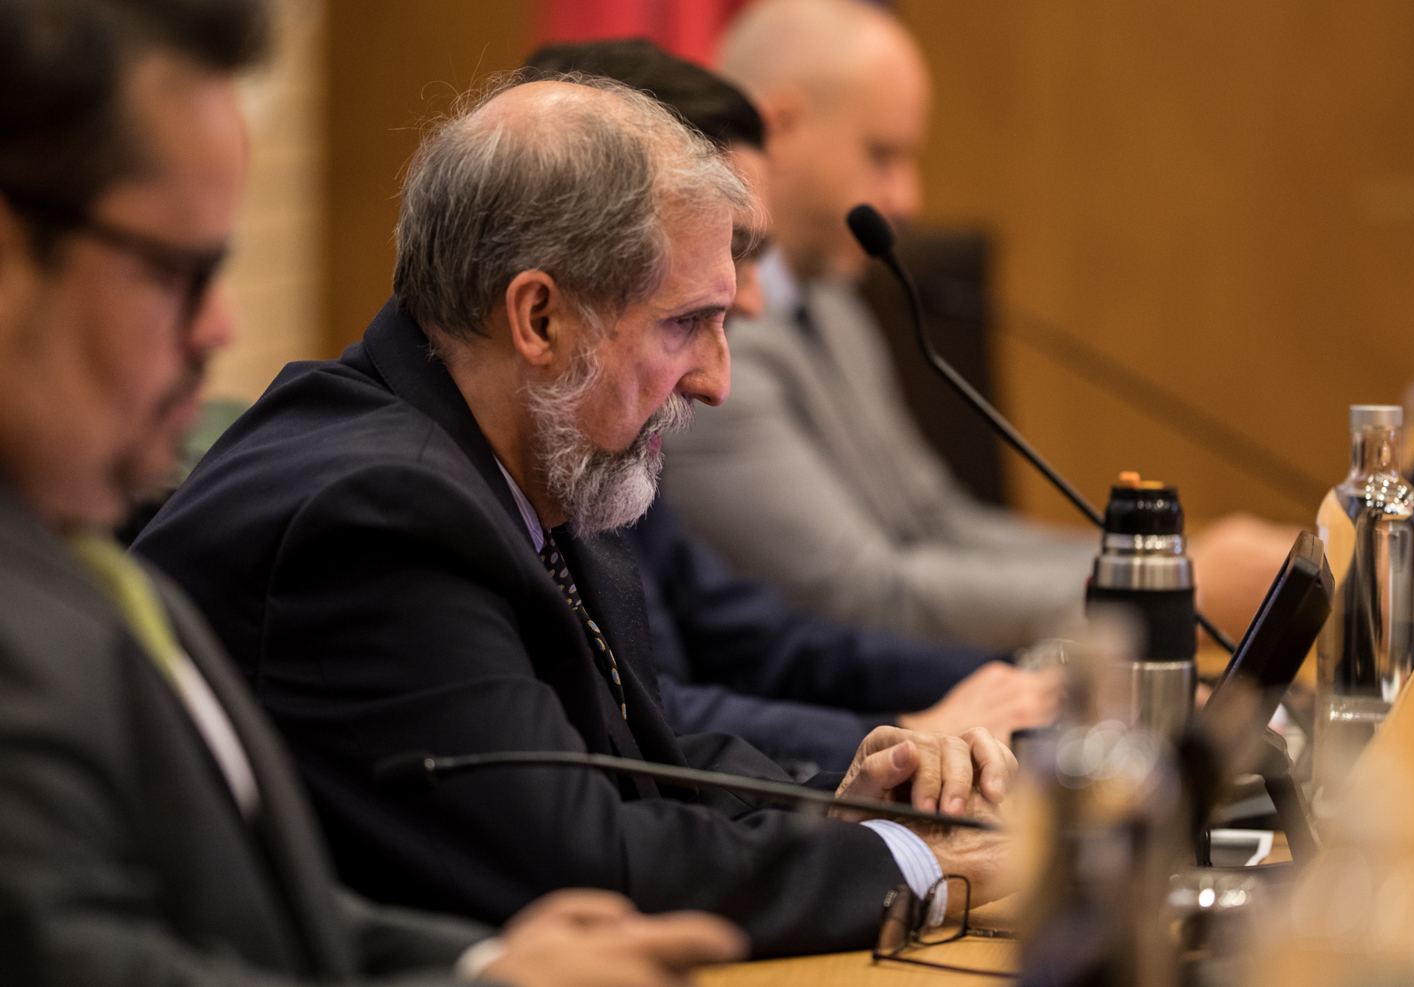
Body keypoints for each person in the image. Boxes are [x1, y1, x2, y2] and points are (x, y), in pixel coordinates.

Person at [134, 71, 1016, 958]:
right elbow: (576, 864)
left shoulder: (520, 458)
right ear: (541, 318)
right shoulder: (377, 516)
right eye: (686, 324)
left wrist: (845, 806)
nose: (717, 380)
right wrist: (920, 867)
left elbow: (629, 755)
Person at [0, 0, 746, 983]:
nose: (221, 328)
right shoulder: (372, 505)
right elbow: (75, 962)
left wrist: (482, 968)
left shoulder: (71, 558)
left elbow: (274, 921)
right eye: (181, 271)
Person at [662, 0, 1298, 651]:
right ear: (782, 126)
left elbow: (938, 522)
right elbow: (867, 596)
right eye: (882, 155)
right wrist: (1158, 589)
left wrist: (1156, 563)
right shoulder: (710, 350)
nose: (908, 200)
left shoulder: (832, 305)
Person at [522, 38, 1059, 773]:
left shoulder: (607, 436)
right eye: (730, 255)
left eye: (750, 254)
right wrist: (904, 733)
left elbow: (758, 639)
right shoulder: (437, 491)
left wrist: (1019, 683)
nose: (753, 300)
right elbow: (638, 723)